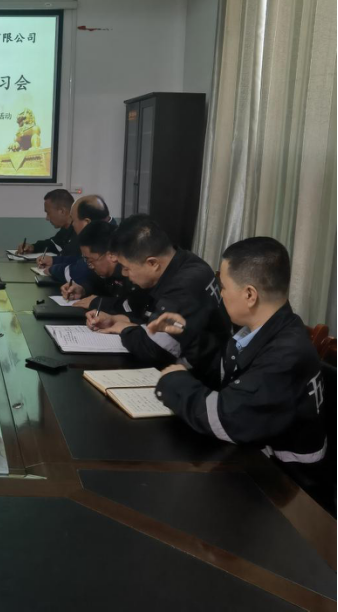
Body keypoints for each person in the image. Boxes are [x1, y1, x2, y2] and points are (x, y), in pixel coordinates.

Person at [149, 237, 328, 499]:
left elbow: (227, 418)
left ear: (249, 294)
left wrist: (173, 382)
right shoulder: (271, 326)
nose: (220, 294)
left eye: (223, 286)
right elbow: (224, 368)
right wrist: (186, 333)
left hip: (286, 486)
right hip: (257, 457)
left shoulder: (286, 353)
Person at [87, 214, 230, 368]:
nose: (123, 273)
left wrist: (124, 329)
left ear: (152, 263)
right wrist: (118, 319)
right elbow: (150, 318)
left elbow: (155, 350)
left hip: (203, 374)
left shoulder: (185, 284)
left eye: (126, 268)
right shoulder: (184, 260)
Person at [64, 220, 145, 316]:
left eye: (90, 260)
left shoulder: (132, 273)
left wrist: (99, 303)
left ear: (111, 255)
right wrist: (83, 289)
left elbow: (133, 307)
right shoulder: (105, 272)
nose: (90, 266)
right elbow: (95, 282)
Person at [15, 188, 78, 256]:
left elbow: (72, 258)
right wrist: (33, 247)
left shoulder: (80, 232)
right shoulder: (65, 229)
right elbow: (52, 244)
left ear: (62, 211)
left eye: (48, 213)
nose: (47, 218)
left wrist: (53, 260)